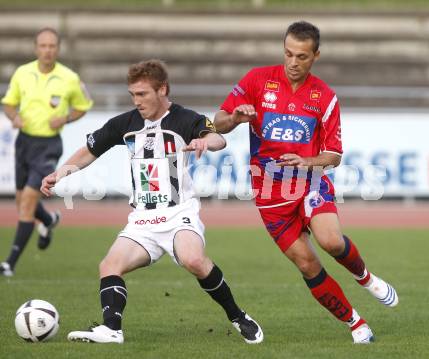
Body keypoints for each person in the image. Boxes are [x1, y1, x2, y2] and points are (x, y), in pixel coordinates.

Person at [40, 59, 263, 344]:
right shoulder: (126, 123)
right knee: (109, 266)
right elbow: (90, 150)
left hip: (179, 211)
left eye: (142, 94)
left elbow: (217, 138)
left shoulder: (184, 118)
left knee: (193, 259)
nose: (137, 101)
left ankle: (237, 316)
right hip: (143, 219)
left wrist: (204, 142)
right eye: (133, 94)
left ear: (162, 89)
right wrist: (59, 174)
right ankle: (111, 329)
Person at [214, 21, 398, 344]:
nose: (293, 62)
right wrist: (235, 118)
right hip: (270, 193)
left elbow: (334, 155)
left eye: (301, 56)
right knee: (308, 264)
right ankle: (355, 323)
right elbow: (219, 122)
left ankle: (365, 277)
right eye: (288, 54)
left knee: (331, 241)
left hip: (309, 182)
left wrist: (307, 162)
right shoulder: (257, 81)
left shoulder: (324, 97)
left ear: (315, 56)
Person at [0, 27, 93, 277]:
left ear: (58, 49)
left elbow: (83, 106)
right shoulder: (23, 73)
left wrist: (65, 118)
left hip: (49, 145)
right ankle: (50, 220)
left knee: (28, 201)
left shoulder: (69, 78)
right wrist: (14, 117)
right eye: (43, 45)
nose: (47, 50)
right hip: (24, 142)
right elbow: (8, 103)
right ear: (36, 48)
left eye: (52, 46)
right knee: (22, 202)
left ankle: (9, 263)